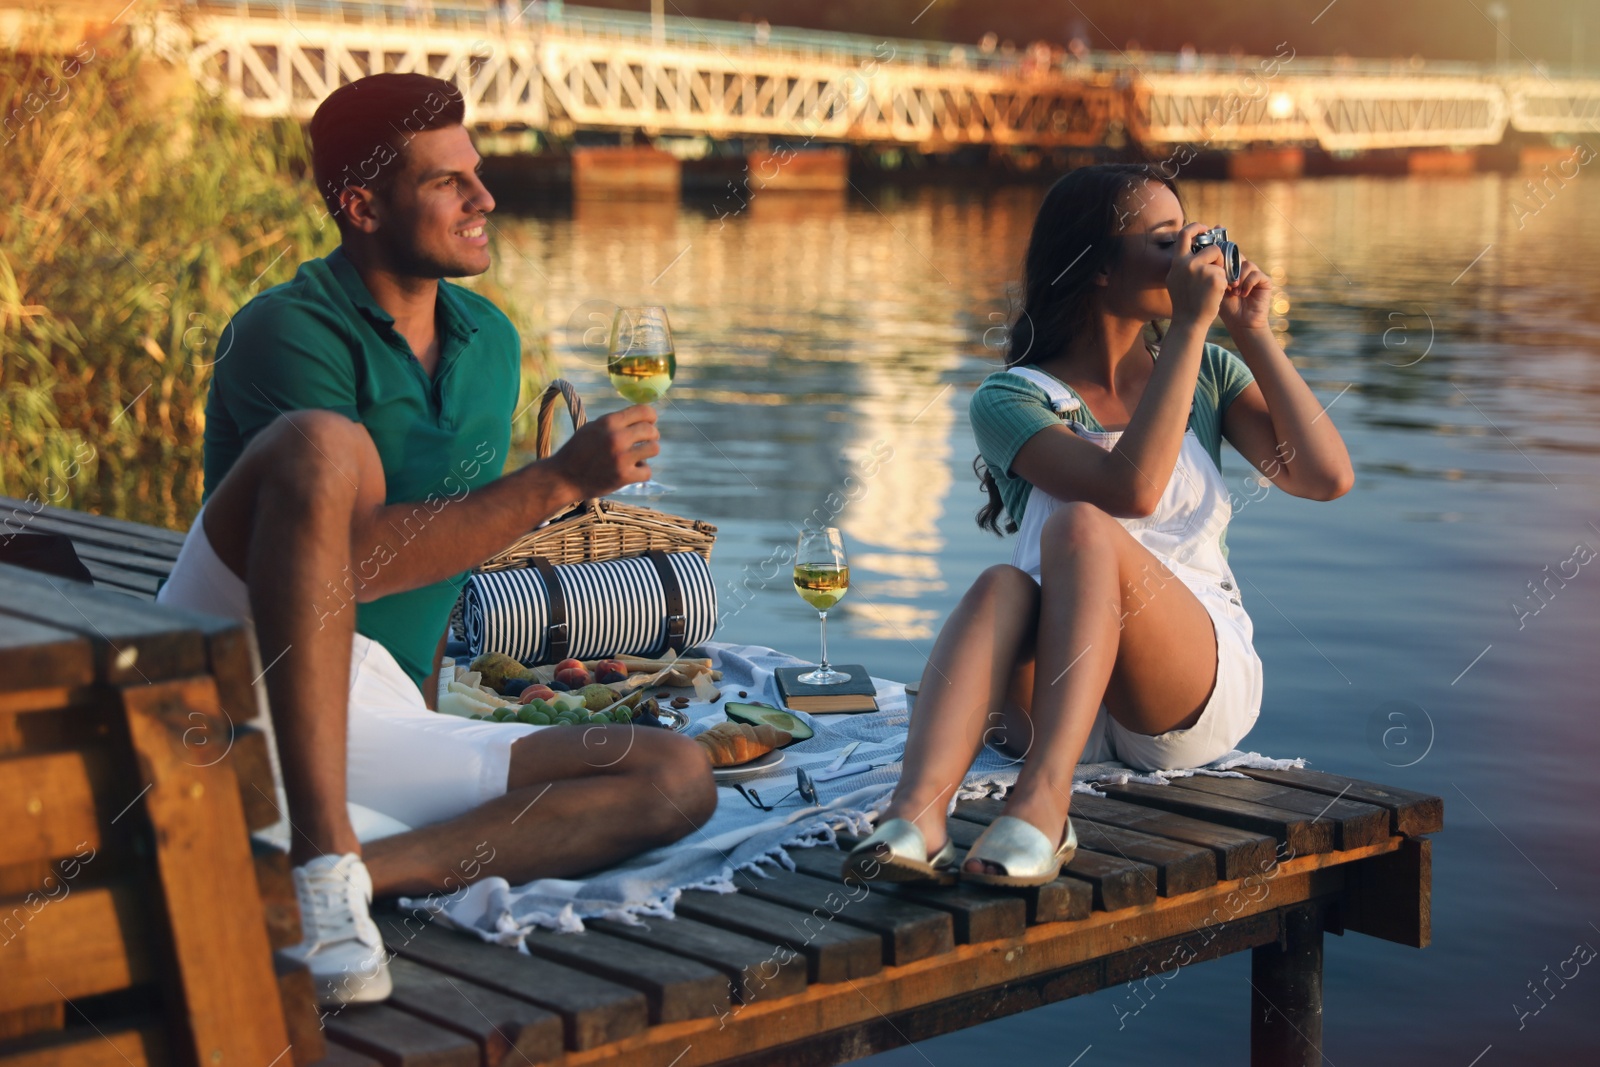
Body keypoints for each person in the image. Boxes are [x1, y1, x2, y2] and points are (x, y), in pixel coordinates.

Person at [156, 73, 716, 1005]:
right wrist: (560, 482)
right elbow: (349, 568)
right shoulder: (283, 332)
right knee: (327, 448)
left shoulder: (489, 343)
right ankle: (323, 845)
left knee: (674, 776)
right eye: (447, 182)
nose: (484, 198)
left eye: (478, 173)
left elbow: (446, 554)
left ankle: (343, 876)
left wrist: (432, 699)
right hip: (236, 663)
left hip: (375, 702)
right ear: (362, 205)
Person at [844, 164, 1353, 887]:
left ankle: (1044, 809)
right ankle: (916, 816)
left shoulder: (1206, 368)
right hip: (1059, 698)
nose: (1191, 257)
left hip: (1183, 685)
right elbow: (1133, 485)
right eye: (1165, 241)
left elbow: (1326, 477)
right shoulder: (1010, 398)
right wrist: (1187, 324)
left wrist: (1251, 332)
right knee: (1000, 584)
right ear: (1097, 269)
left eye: (1190, 237)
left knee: (1080, 530)